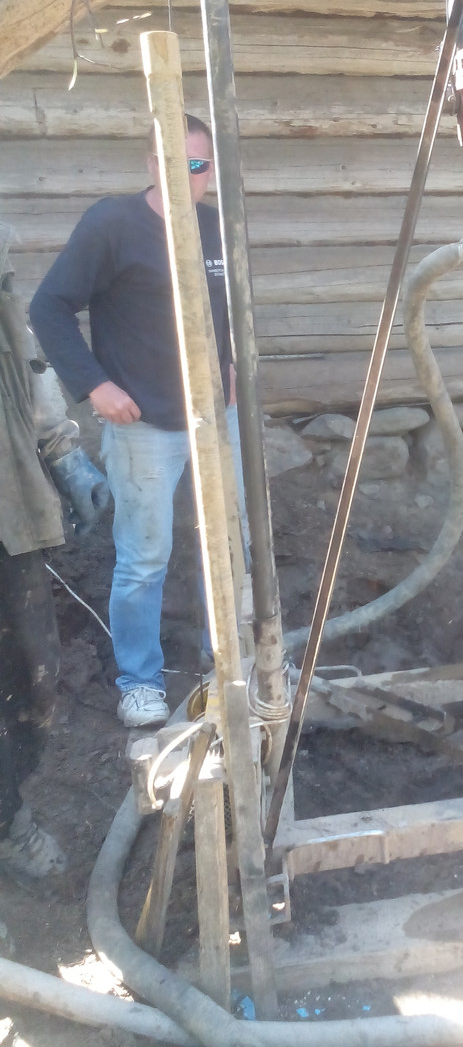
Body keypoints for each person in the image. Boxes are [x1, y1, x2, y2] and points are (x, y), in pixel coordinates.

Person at [29, 115, 244, 729]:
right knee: (145, 557)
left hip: (216, 418)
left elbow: (221, 312)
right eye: (178, 166)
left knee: (231, 546)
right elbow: (49, 307)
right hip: (145, 424)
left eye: (200, 167)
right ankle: (140, 681)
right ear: (153, 165)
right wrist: (95, 385)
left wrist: (226, 365)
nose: (190, 179)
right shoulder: (113, 224)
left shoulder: (213, 228)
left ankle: (231, 661)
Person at [0, 223, 108, 877]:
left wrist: (64, 453)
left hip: (8, 505)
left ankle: (8, 818)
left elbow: (22, 352)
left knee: (29, 677)